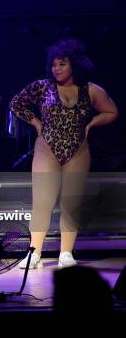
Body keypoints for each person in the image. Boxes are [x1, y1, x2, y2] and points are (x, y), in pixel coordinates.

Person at [10, 38, 118, 269]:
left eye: (62, 64)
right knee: (42, 203)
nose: (56, 69)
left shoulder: (90, 90)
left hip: (78, 151)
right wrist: (36, 123)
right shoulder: (42, 87)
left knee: (71, 204)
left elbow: (111, 111)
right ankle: (34, 253)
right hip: (47, 149)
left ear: (74, 65)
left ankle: (66, 254)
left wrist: (92, 123)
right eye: (53, 64)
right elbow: (16, 103)